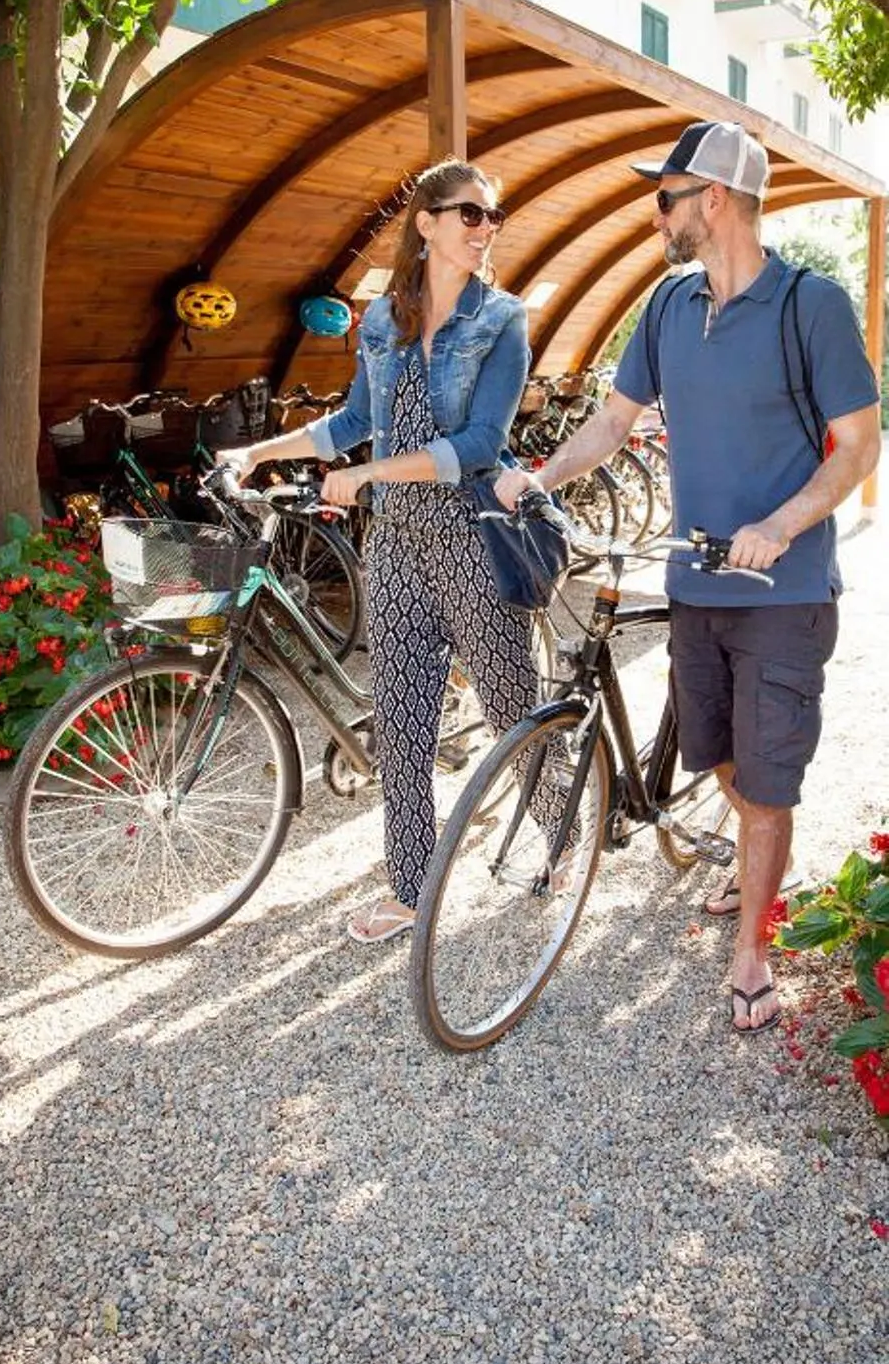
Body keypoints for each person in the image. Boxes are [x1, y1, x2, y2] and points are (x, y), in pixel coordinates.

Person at [497, 120, 880, 1033]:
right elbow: (613, 423)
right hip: (696, 586)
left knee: (771, 780)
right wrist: (538, 477)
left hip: (782, 594)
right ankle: (754, 855)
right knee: (716, 756)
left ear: (713, 199)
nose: (652, 213)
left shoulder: (809, 307)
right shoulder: (668, 308)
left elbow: (859, 448)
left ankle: (752, 946)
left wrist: (780, 525)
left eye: (664, 196)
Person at [218, 159, 541, 944]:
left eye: (493, 216)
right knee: (400, 716)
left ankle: (559, 829)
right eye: (471, 213)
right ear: (426, 222)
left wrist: (367, 474)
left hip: (470, 531)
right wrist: (262, 452)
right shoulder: (380, 320)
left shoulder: (502, 320)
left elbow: (478, 445)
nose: (485, 229)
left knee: (512, 706)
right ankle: (412, 886)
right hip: (394, 540)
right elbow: (353, 418)